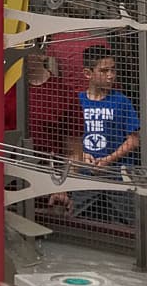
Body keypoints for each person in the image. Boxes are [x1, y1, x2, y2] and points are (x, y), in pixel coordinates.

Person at [49, 46, 140, 224]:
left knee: (126, 224)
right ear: (87, 73)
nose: (111, 75)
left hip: (117, 176)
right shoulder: (77, 101)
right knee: (80, 220)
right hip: (84, 174)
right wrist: (82, 155)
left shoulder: (121, 101)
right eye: (104, 71)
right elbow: (69, 141)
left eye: (113, 70)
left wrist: (108, 159)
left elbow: (134, 140)